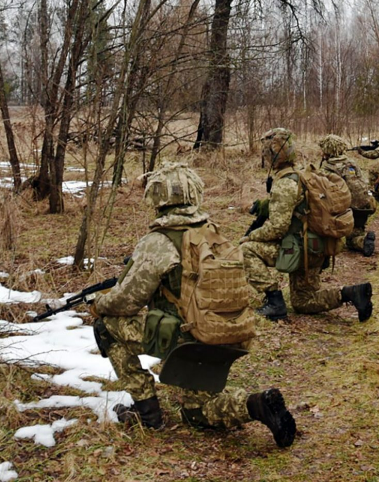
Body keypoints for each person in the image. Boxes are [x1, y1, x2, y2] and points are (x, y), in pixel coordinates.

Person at [91, 162, 296, 447]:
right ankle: (257, 405)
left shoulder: (159, 241)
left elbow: (126, 303)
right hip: (227, 334)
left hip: (191, 339)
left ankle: (148, 413)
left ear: (158, 197)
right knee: (197, 413)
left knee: (106, 327)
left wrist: (99, 303)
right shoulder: (210, 230)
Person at [240, 128, 373, 322]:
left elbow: (278, 227)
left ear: (272, 155)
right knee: (303, 301)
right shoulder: (299, 174)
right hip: (315, 245)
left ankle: (274, 302)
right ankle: (351, 294)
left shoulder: (285, 182)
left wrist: (250, 237)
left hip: (302, 249)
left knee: (246, 250)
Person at [318, 134, 377, 257]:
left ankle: (333, 239)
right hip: (364, 206)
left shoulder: (327, 168)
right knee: (355, 233)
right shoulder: (352, 163)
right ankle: (363, 241)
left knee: (347, 240)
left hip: (345, 210)